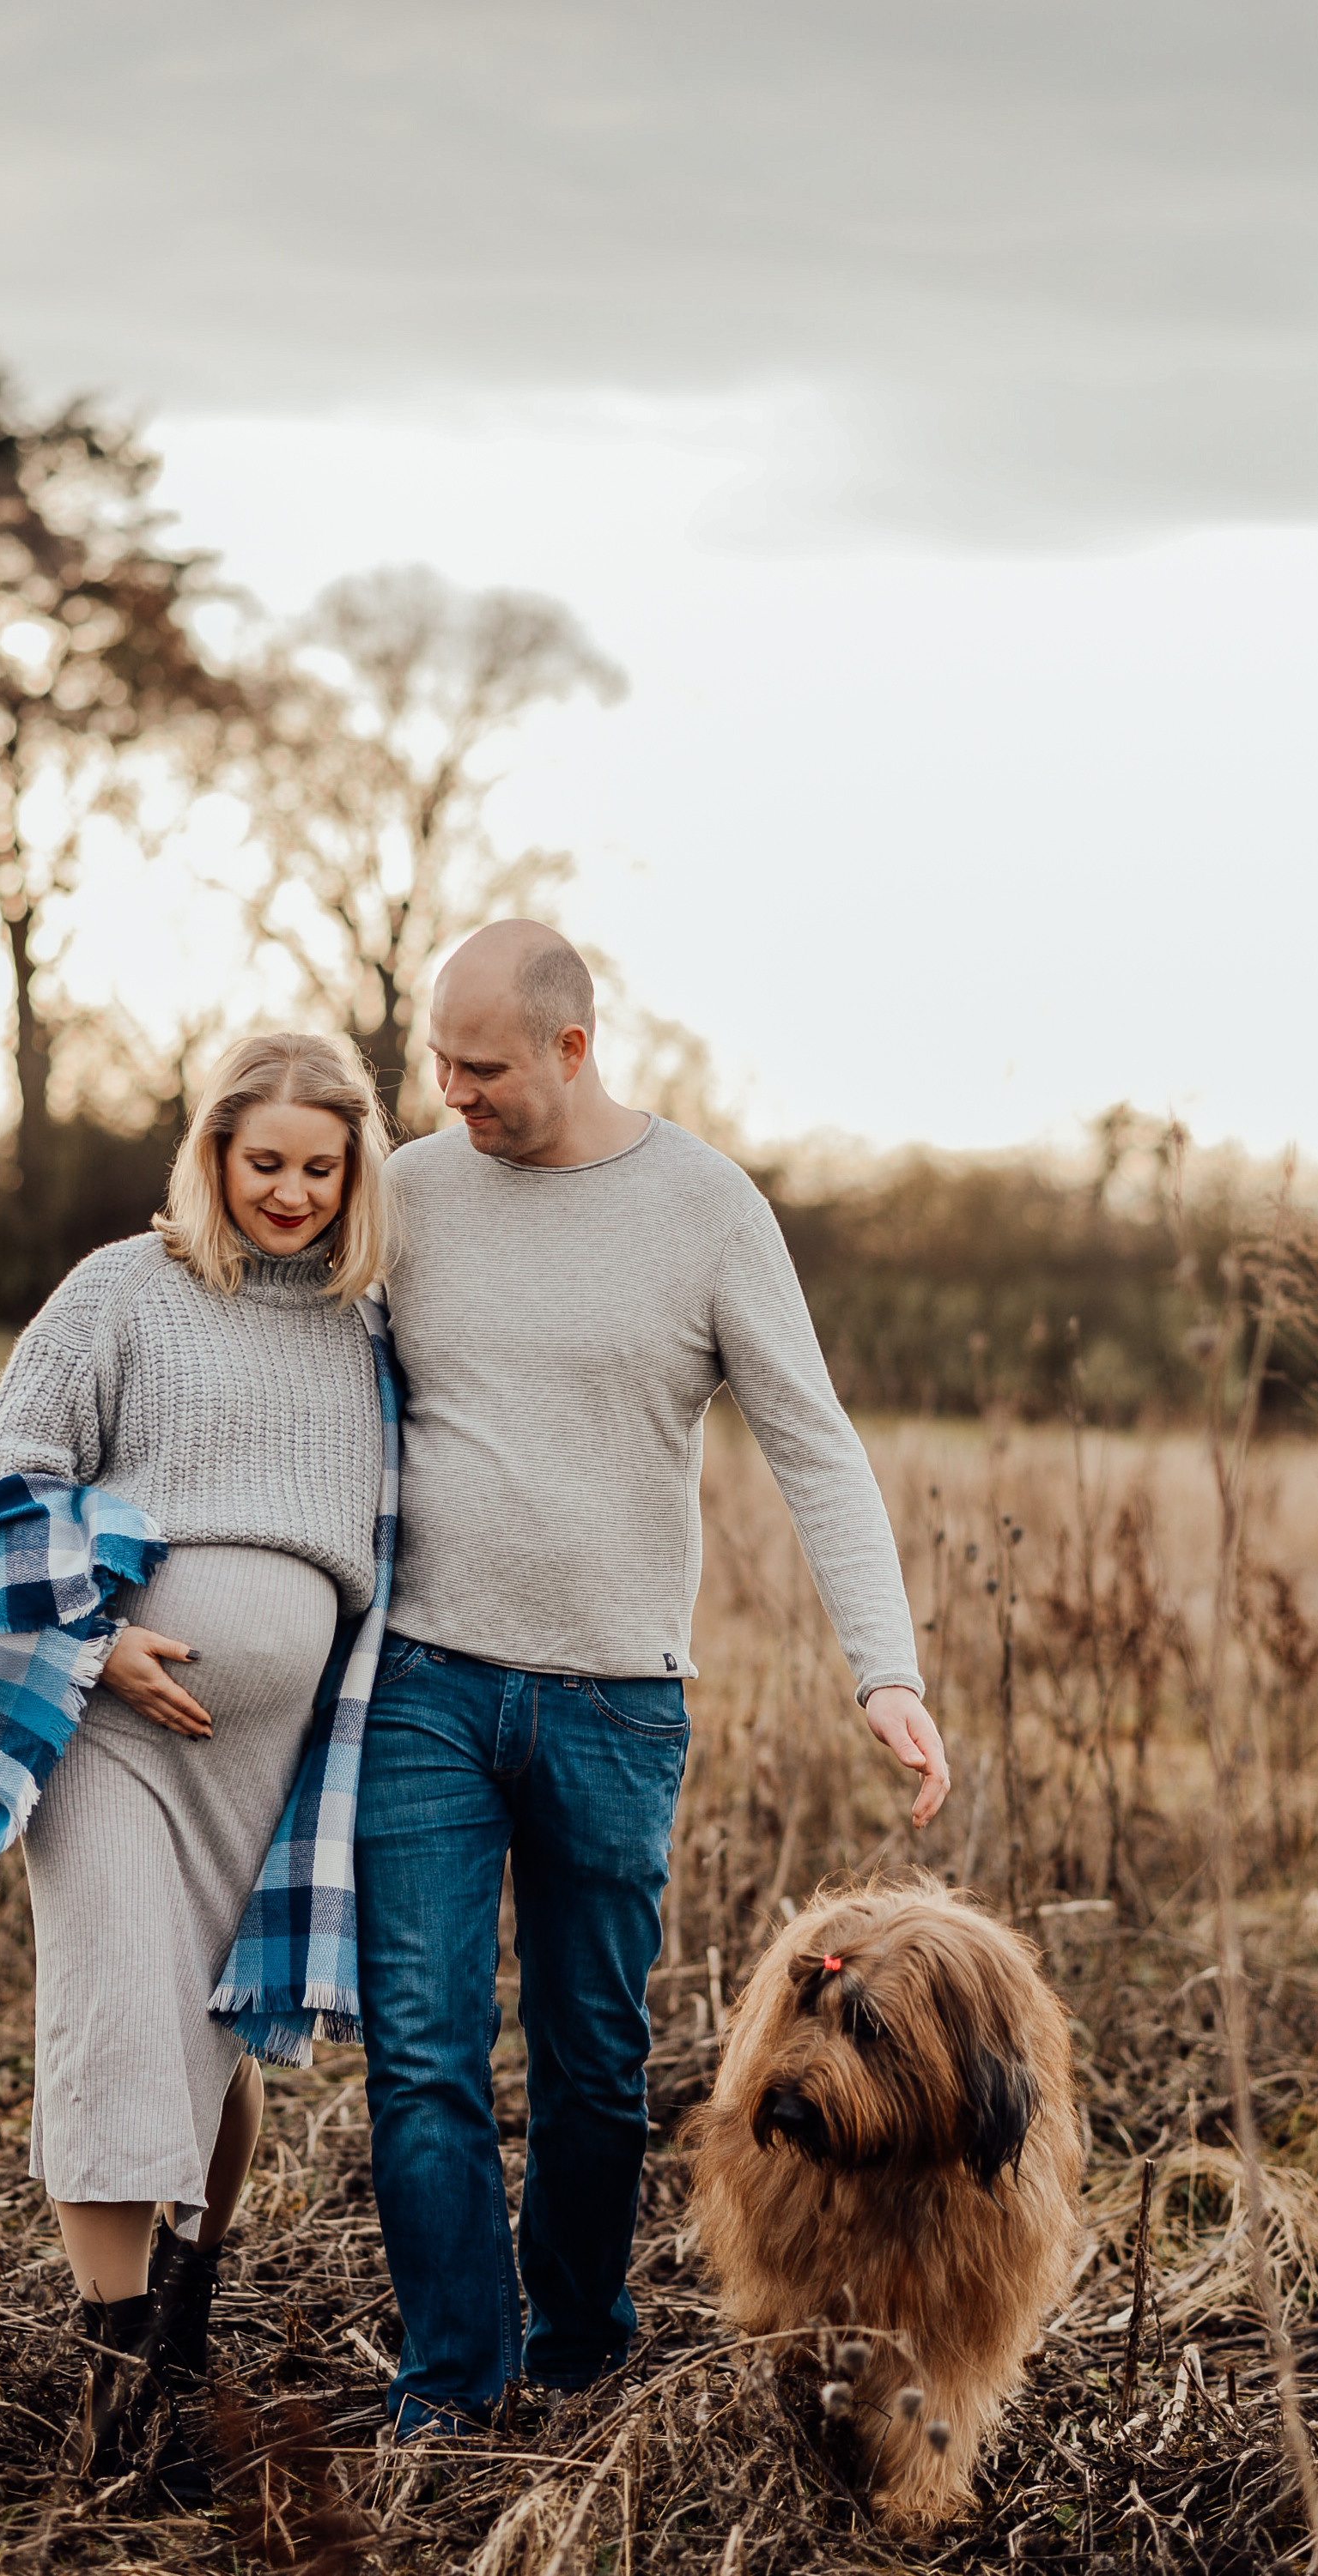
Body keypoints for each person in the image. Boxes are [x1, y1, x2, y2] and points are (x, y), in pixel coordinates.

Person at [354, 920, 951, 2435]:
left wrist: (886, 1667)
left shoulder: (704, 1208)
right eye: (436, 1059)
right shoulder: (411, 1192)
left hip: (617, 1704)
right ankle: (453, 2385)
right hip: (425, 1678)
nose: (449, 1091)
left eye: (479, 1066)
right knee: (422, 2051)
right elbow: (281, 1356)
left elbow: (814, 1438)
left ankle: (574, 2345)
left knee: (594, 2063)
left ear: (572, 1046)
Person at [0, 1031, 393, 2482]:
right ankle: (116, 2381)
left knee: (212, 2026)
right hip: (115, 1727)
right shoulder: (121, 1291)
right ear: (211, 1152)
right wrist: (100, 1640)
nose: (292, 1193)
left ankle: (187, 2324)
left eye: (321, 1168)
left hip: (272, 1760)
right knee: (116, 2009)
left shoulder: (363, 1322)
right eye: (264, 1161)